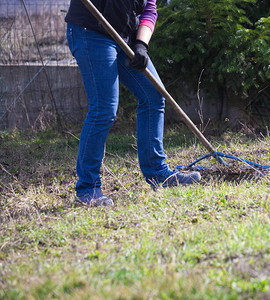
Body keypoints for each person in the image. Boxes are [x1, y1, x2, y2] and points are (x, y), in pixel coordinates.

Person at [65, 0, 201, 207]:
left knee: (153, 95)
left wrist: (141, 45)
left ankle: (158, 174)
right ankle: (88, 188)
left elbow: (149, 10)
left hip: (124, 37)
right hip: (91, 31)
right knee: (104, 109)